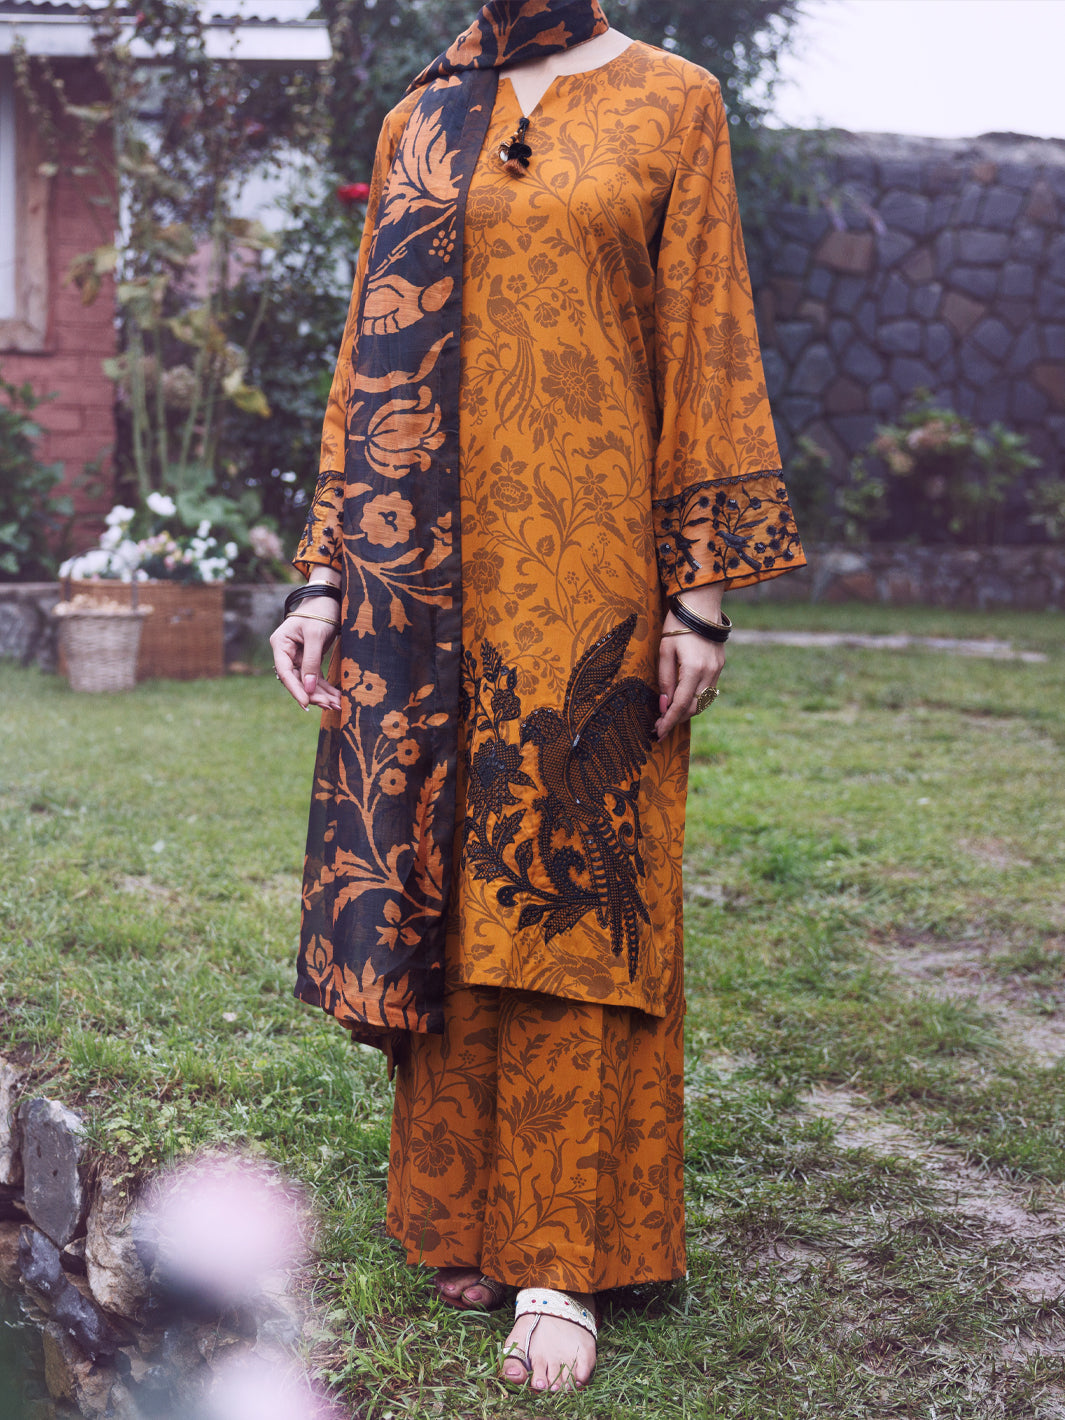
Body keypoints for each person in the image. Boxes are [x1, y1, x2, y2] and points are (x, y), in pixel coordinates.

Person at [271, 0, 806, 1394]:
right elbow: (366, 362)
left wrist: (699, 593)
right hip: (422, 583)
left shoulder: (674, 101)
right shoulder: (422, 116)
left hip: (592, 575)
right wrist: (323, 580)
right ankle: (464, 1214)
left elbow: (706, 339)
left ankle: (562, 1256)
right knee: (450, 880)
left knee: (569, 884)